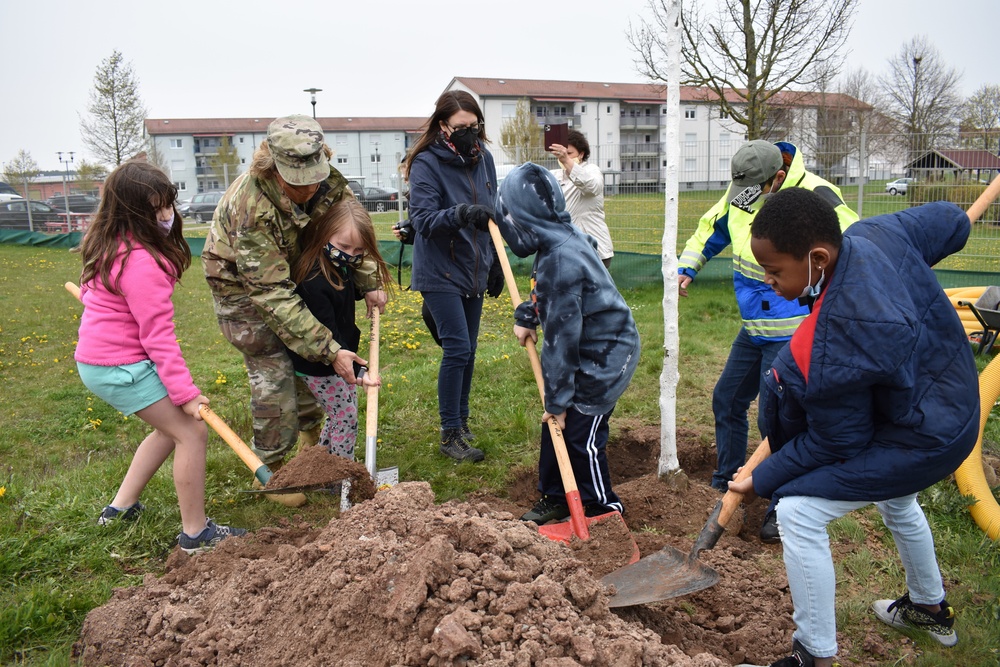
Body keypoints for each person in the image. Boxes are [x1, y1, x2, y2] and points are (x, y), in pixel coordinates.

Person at [731, 188, 979, 667]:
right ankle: (929, 608)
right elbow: (951, 221)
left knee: (799, 512)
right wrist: (957, 231)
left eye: (775, 271)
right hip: (950, 396)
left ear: (818, 258)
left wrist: (762, 479)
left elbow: (837, 441)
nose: (768, 281)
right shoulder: (874, 233)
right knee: (896, 493)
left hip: (925, 434)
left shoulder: (836, 338)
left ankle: (813, 655)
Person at [677, 140, 858, 542]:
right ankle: (726, 481)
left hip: (795, 329)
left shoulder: (816, 196)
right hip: (754, 326)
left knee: (777, 420)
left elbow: (853, 240)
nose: (747, 196)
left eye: (757, 187)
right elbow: (714, 225)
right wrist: (689, 264)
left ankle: (780, 503)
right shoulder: (744, 193)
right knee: (727, 399)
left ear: (777, 177)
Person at [75, 161, 246, 555]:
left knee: (168, 431)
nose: (167, 216)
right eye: (156, 209)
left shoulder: (111, 245)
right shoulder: (141, 264)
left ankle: (119, 508)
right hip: (121, 367)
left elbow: (97, 297)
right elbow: (158, 337)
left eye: (168, 204)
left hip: (100, 363)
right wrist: (185, 394)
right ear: (131, 212)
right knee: (190, 431)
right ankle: (195, 534)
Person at [203, 115, 387, 479]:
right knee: (276, 373)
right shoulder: (250, 207)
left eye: (312, 180)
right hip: (243, 290)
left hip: (297, 272)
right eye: (296, 183)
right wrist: (330, 350)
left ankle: (312, 447)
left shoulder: (330, 184)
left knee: (308, 363)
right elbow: (271, 295)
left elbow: (351, 230)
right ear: (272, 168)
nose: (307, 190)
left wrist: (368, 282)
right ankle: (272, 468)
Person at [495, 162, 640, 523]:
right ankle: (557, 495)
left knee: (580, 433)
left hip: (606, 355)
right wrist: (528, 315)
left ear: (525, 219)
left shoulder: (560, 260)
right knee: (555, 423)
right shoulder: (561, 236)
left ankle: (603, 507)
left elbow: (560, 345)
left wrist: (559, 400)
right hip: (590, 345)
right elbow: (549, 292)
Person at [402, 91, 500, 462]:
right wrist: (461, 214)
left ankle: (462, 421)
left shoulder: (484, 159)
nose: (469, 133)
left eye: (475, 126)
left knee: (469, 351)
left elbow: (492, 214)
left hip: (473, 266)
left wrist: (492, 264)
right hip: (439, 269)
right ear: (443, 126)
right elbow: (423, 221)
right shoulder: (427, 163)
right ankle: (450, 433)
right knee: (457, 348)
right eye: (461, 127)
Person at [288, 199, 391, 458]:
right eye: (344, 246)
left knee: (339, 414)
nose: (350, 254)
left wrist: (366, 290)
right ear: (325, 233)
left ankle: (321, 463)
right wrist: (359, 372)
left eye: (358, 250)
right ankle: (341, 476)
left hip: (336, 355)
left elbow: (343, 294)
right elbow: (328, 332)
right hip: (321, 362)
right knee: (346, 417)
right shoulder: (313, 280)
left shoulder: (339, 265)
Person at [548, 130, 613, 268]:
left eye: (569, 153)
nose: (563, 157)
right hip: (566, 248)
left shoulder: (591, 170)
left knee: (593, 290)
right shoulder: (556, 175)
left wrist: (566, 160)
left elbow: (592, 187)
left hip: (594, 250)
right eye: (561, 154)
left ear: (581, 154)